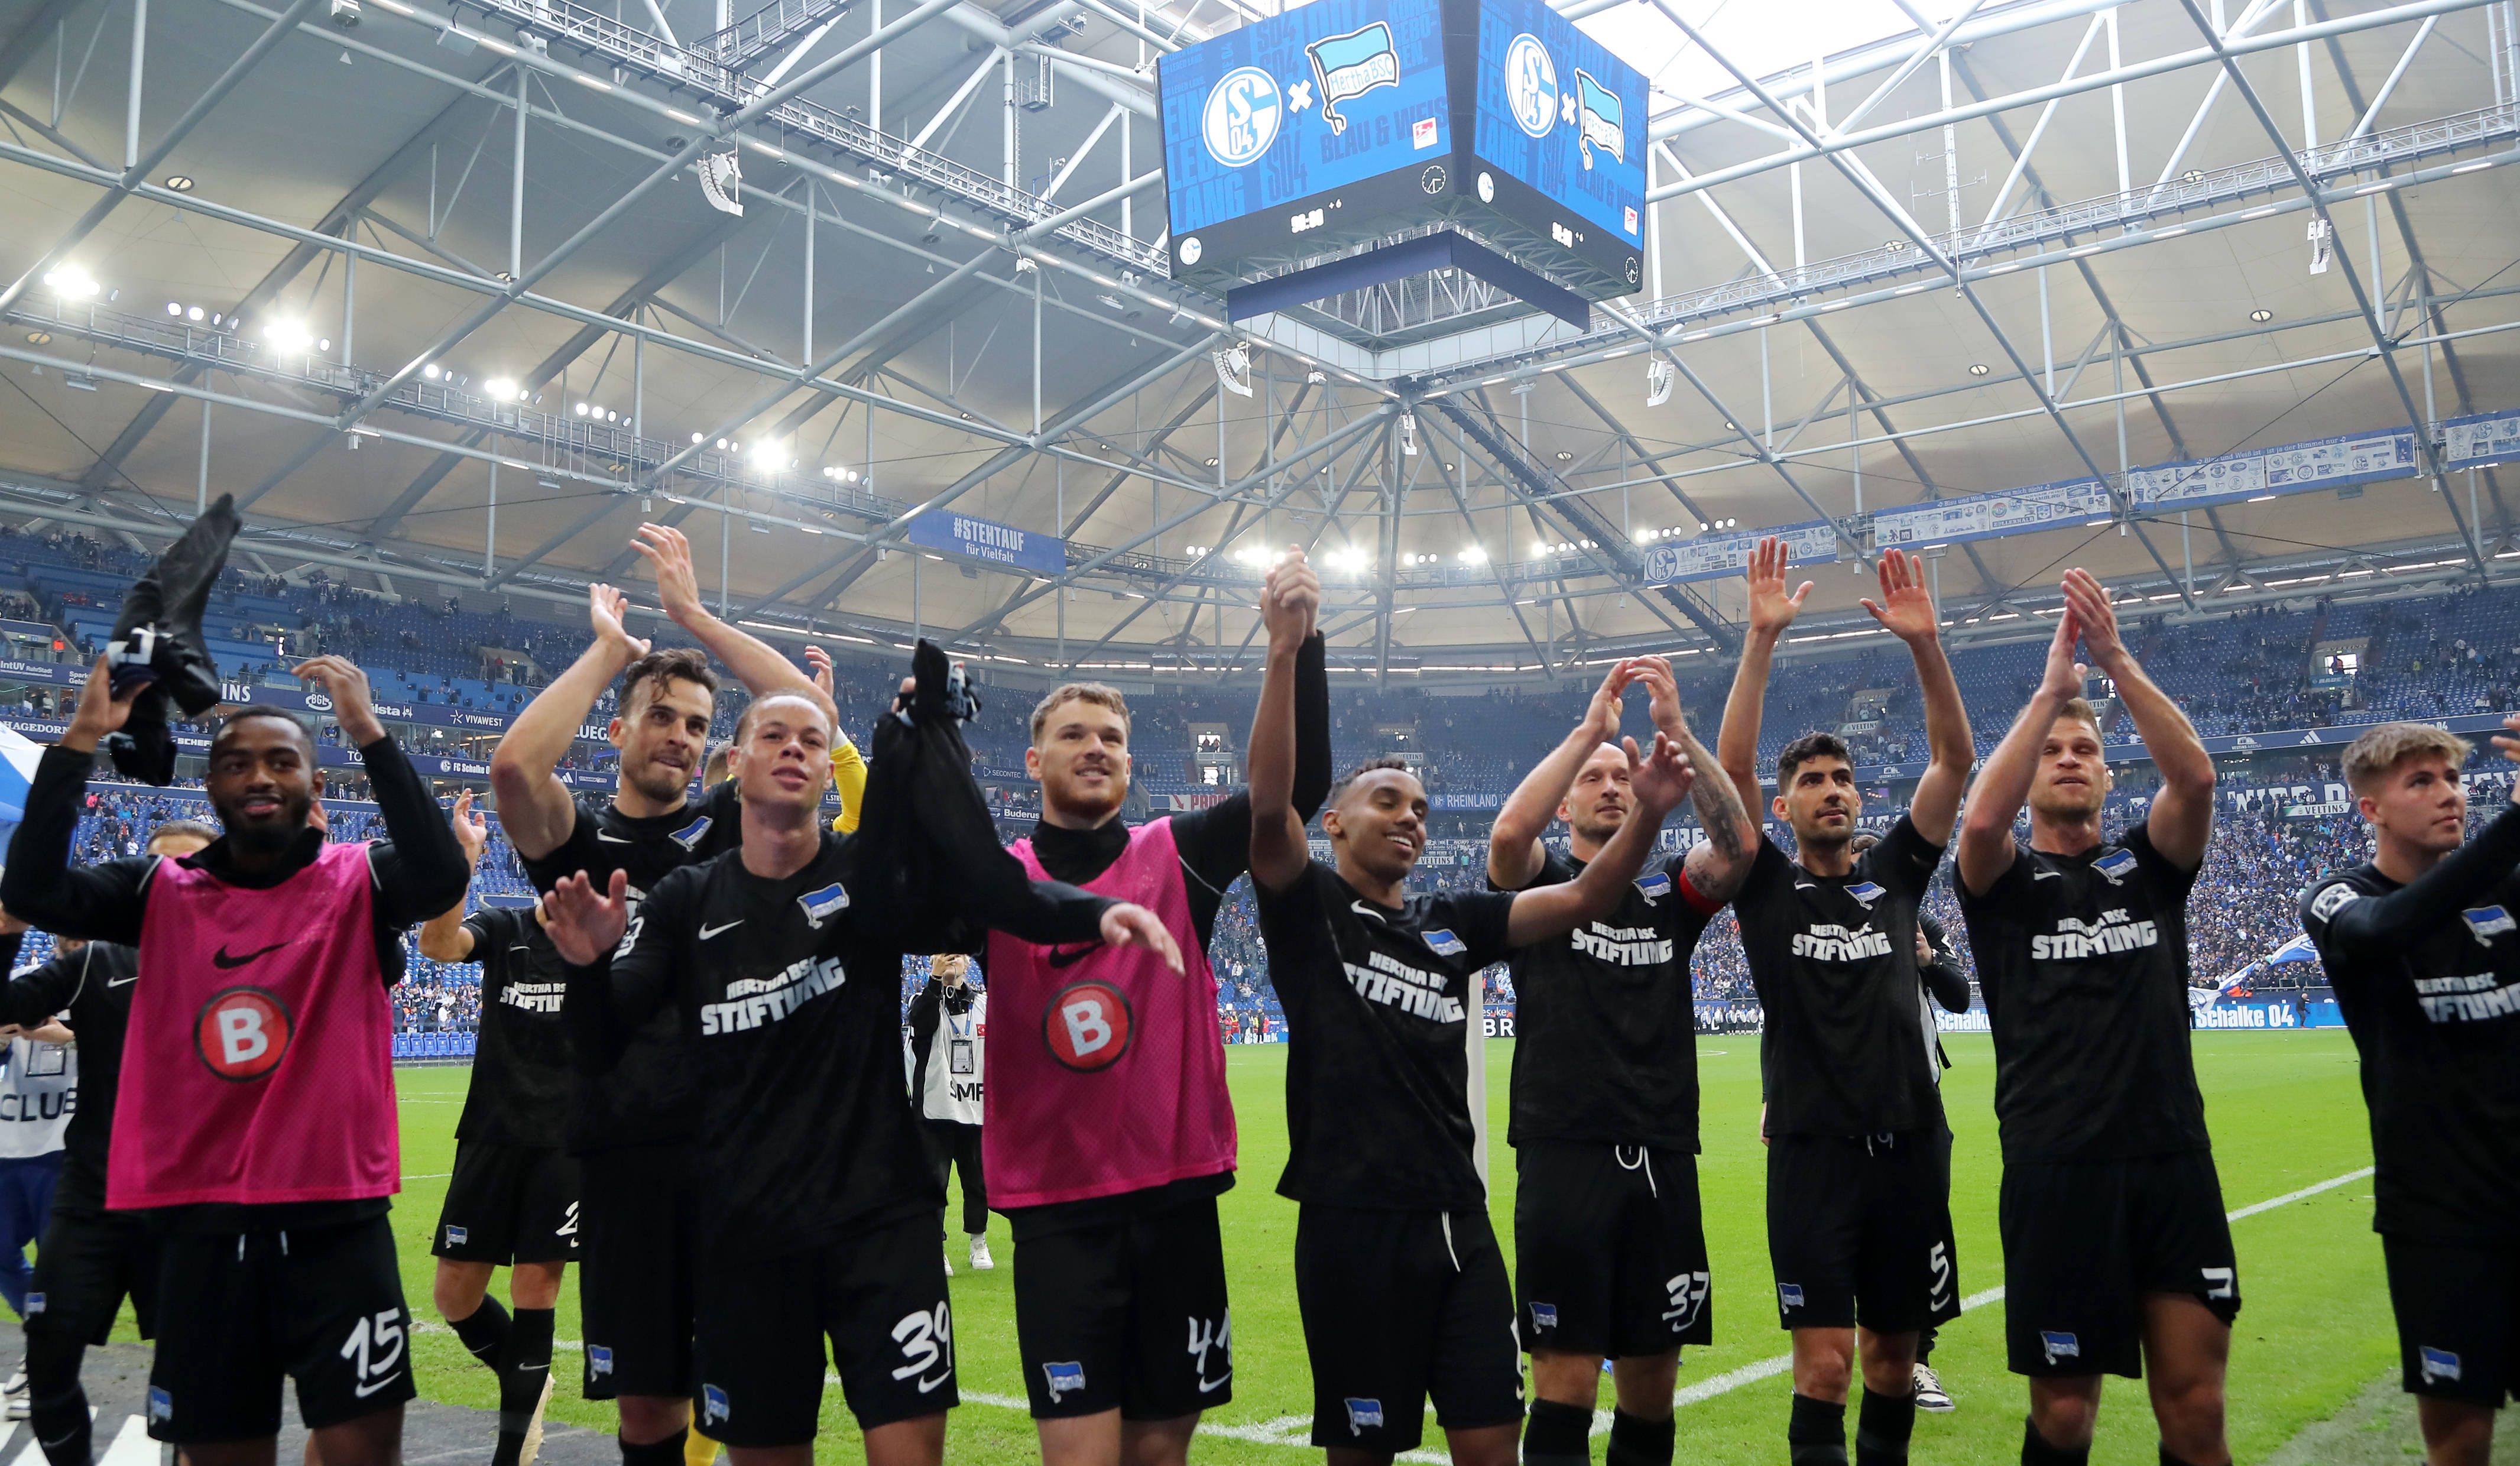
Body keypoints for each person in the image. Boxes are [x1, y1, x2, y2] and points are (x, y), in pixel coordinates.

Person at [541, 680, 1181, 1466]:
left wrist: (1090, 911)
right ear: (736, 764)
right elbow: (599, 1044)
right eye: (774, 736)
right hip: (747, 1233)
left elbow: (991, 892)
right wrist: (585, 966)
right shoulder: (686, 898)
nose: (794, 749)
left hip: (883, 1225)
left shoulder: (864, 877)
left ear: (827, 770)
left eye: (812, 741)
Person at [1248, 563, 1700, 1466]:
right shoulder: (1310, 910)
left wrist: (1647, 818)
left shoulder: (1451, 921)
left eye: (1419, 809)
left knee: (1494, 1446)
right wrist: (1286, 653)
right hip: (1351, 1222)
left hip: (1460, 1220)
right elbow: (1267, 807)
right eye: (1386, 802)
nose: (1410, 819)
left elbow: (1581, 900)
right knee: (1362, 1453)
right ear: (1332, 823)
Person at [0, 654, 469, 1466]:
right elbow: (33, 891)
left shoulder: (358, 880)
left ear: (315, 786)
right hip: (202, 1228)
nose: (259, 775)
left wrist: (367, 729)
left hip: (338, 1221)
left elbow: (439, 874)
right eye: (238, 762)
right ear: (211, 787)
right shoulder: (159, 891)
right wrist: (81, 737)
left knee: (363, 1453)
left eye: (282, 760)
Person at [489, 527, 832, 1466]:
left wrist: (693, 618)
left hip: (746, 1151)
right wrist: (611, 653)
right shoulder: (576, 843)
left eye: (694, 724)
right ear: (619, 730)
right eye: (661, 717)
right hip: (627, 1155)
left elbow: (807, 715)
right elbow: (514, 770)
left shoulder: (732, 825)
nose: (679, 736)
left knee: (759, 1409)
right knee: (646, 1414)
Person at [978, 549, 1328, 1466]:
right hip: (1056, 1210)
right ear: (1033, 761)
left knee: (1162, 1455)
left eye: (1111, 737)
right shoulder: (994, 882)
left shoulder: (1178, 852)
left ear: (1131, 763)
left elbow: (1289, 797)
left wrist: (1290, 652)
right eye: (1073, 734)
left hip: (1173, 1198)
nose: (1095, 747)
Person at [1955, 570, 2233, 1466]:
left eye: (2084, 750)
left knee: (2195, 1410)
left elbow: (2195, 776)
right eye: (2051, 751)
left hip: (2169, 1157)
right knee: (2066, 1414)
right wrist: (2049, 695)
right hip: (2057, 1164)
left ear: (2109, 776)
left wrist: (2112, 657)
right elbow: (1979, 822)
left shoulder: (2147, 868)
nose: (2069, 758)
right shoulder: (2003, 883)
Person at [1714, 541, 1975, 1466]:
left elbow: (1952, 760)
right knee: (1822, 1368)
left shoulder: (1894, 876)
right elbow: (1730, 770)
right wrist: (1758, 639)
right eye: (1811, 783)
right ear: (1781, 810)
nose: (1831, 791)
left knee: (1892, 1363)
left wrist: (1924, 646)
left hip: (1907, 1146)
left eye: (1841, 778)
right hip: (1811, 1154)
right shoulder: (1765, 887)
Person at [1484, 656, 1756, 1466]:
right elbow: (1507, 839)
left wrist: (1675, 733)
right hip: (1564, 1154)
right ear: (1565, 802)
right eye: (1593, 779)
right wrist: (1587, 734)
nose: (1610, 786)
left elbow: (1739, 846)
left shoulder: (1671, 894)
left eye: (1621, 774)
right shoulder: (1543, 888)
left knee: (1650, 1390)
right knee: (1563, 1387)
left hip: (1663, 1154)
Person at [2300, 716, 2520, 1466]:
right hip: (2437, 1213)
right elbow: (2385, 928)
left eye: (2453, 777)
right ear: (2371, 808)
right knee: (2459, 1439)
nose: (2449, 794)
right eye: (2421, 781)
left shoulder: (2507, 888)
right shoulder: (2338, 898)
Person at [0, 818, 213, 1465]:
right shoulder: (96, 962)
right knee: (48, 1365)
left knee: (193, 1384)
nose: (174, 882)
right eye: (158, 869)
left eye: (192, 868)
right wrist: (8, 931)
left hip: (193, 1209)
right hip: (93, 1193)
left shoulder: (254, 967)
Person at [415, 790, 578, 1466]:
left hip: (565, 1145)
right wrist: (464, 860)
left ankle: (510, 1454)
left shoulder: (605, 947)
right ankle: (528, 1379)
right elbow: (437, 944)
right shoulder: (505, 927)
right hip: (489, 1131)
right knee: (454, 1294)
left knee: (535, 1290)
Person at [905, 953, 989, 1274]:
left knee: (977, 1181)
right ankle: (934, 1247)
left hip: (975, 1107)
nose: (952, 959)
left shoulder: (984, 1004)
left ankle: (978, 1242)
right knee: (934, 1182)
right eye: (944, 954)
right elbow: (922, 1024)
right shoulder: (922, 999)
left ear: (968, 963)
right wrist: (935, 981)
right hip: (935, 1110)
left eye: (957, 955)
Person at [0, 1002, 73, 1325]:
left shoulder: (97, 990)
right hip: (7, 1143)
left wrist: (69, 1038)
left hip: (65, 1145)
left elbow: (122, 1047)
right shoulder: (15, 991)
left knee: (57, 1259)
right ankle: (38, 1323)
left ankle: (50, 1338)